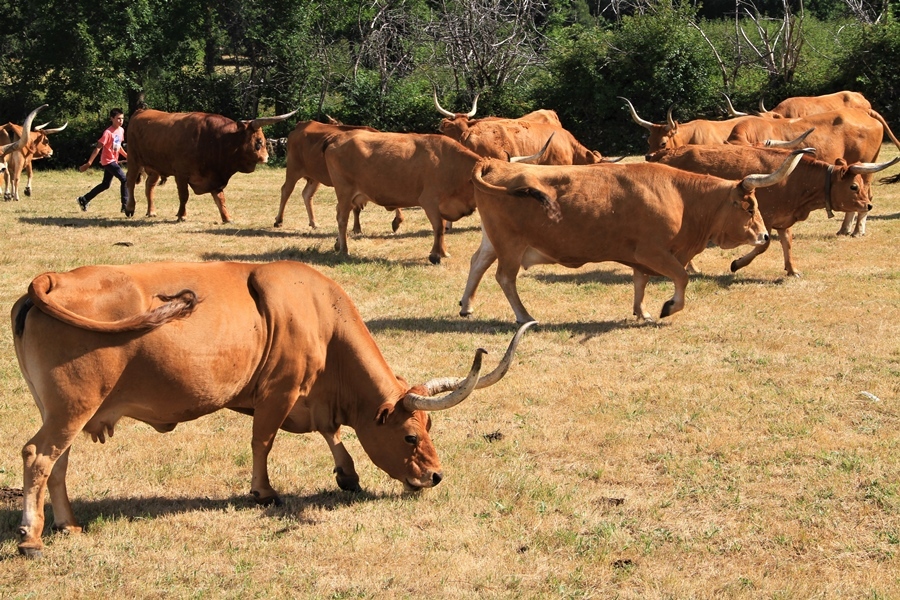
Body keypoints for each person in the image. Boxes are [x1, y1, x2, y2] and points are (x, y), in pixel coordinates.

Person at [77, 108, 128, 213]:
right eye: (118, 118)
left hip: (114, 160)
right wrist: (89, 163)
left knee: (105, 184)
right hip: (108, 161)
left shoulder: (121, 130)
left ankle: (84, 199)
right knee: (124, 180)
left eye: (122, 118)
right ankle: (125, 205)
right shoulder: (108, 133)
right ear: (111, 119)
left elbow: (118, 147)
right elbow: (98, 148)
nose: (121, 121)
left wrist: (127, 156)